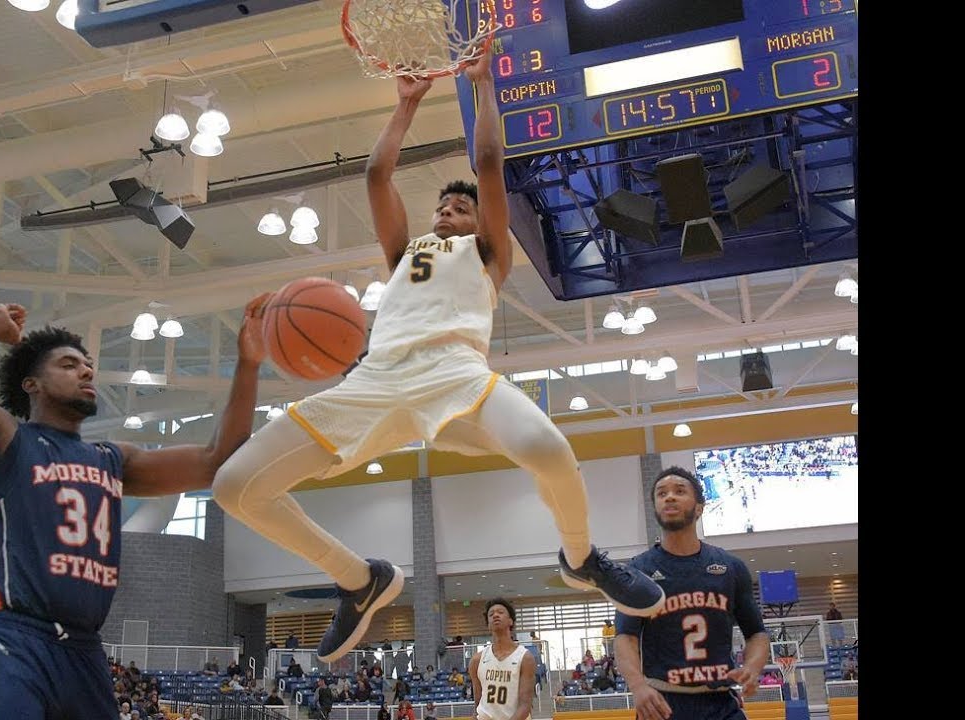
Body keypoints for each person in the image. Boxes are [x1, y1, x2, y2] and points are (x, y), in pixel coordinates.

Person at [210, 45, 664, 665]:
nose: (448, 211)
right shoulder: (405, 254)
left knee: (548, 450)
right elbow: (376, 176)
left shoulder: (486, 254)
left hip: (457, 376)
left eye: (460, 207)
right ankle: (358, 578)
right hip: (373, 381)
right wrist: (405, 105)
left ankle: (581, 558)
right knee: (235, 487)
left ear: (479, 222)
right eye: (443, 206)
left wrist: (479, 86)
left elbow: (488, 162)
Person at [0, 297, 268, 720]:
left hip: (83, 651)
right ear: (32, 383)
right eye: (68, 364)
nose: (86, 370)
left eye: (87, 365)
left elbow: (219, 460)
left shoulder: (112, 459)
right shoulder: (3, 437)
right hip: (8, 640)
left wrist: (247, 365)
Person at [615, 467, 771, 720]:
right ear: (655, 509)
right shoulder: (638, 570)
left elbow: (757, 634)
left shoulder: (731, 567)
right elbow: (625, 638)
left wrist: (752, 667)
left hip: (720, 701)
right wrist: (637, 685)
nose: (669, 497)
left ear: (699, 507)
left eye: (679, 491)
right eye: (661, 493)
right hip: (662, 703)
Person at [469, 599, 536, 720]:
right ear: (488, 624)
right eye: (491, 614)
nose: (495, 615)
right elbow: (478, 704)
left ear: (511, 621)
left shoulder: (525, 658)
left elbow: (525, 706)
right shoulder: (477, 660)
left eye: (500, 612)